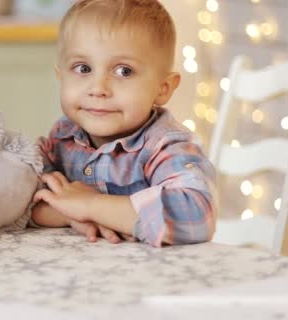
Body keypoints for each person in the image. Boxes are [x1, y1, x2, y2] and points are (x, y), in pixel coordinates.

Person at [31, 0, 217, 247]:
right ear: (60, 77)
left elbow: (197, 215)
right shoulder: (62, 137)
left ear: (163, 89)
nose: (98, 88)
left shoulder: (166, 145)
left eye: (124, 71)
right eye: (83, 68)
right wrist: (71, 214)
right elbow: (18, 202)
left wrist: (91, 205)